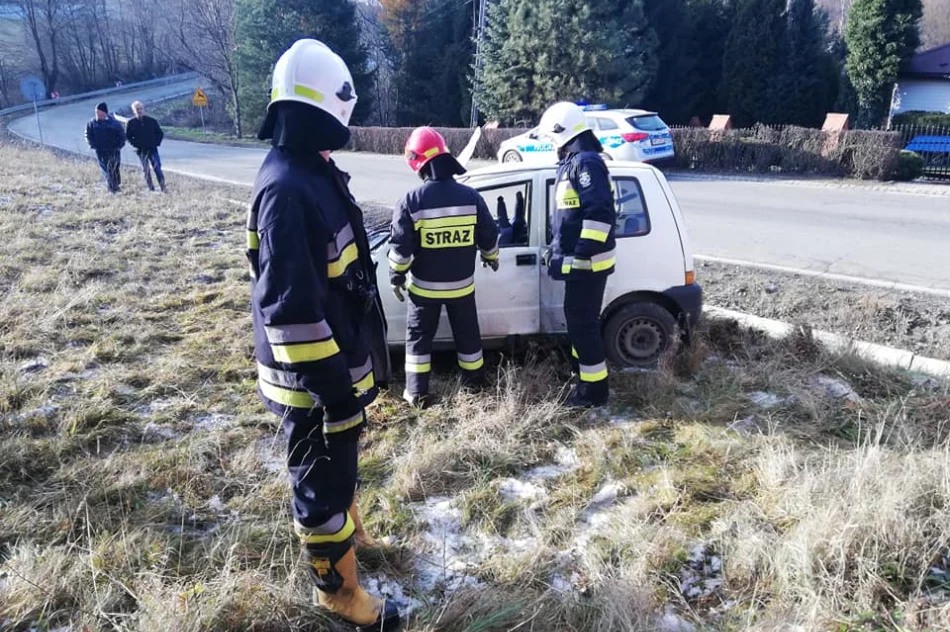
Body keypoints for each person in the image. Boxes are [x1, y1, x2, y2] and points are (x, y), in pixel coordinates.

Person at [245, 39, 399, 631]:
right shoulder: (288, 189)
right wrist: (336, 393)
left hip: (333, 371)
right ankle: (339, 597)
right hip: (313, 384)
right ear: (323, 109)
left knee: (340, 469)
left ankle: (350, 533)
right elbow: (290, 313)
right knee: (319, 489)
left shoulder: (310, 171)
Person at [388, 127, 500, 409]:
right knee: (468, 336)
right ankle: (474, 386)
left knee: (419, 340)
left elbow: (401, 250)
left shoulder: (411, 202)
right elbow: (489, 236)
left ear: (417, 163)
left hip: (424, 290)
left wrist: (396, 277)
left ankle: (416, 393)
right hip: (462, 287)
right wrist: (491, 256)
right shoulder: (471, 197)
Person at [539, 102, 617, 408]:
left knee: (582, 325)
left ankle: (593, 393)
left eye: (552, 138)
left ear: (562, 133)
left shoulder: (586, 164)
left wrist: (581, 254)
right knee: (578, 322)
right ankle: (580, 374)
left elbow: (599, 214)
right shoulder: (578, 162)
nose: (552, 145)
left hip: (588, 264)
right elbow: (569, 216)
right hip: (582, 264)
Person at [85, 102, 126, 193]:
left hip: (113, 150)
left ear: (104, 113)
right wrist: (92, 145)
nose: (97, 114)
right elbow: (88, 135)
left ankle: (116, 184)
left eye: (98, 112)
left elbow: (122, 136)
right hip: (100, 150)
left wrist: (119, 146)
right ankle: (111, 187)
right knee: (106, 169)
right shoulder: (92, 123)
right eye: (96, 112)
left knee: (115, 167)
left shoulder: (114, 123)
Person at [126, 100, 166, 192]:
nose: (139, 111)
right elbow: (128, 136)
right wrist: (135, 144)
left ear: (143, 109)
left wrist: (156, 143)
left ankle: (163, 187)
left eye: (140, 109)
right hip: (141, 150)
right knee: (146, 170)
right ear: (134, 110)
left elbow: (159, 133)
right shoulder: (131, 123)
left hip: (152, 149)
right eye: (137, 109)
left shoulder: (151, 121)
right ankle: (151, 188)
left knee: (157, 169)